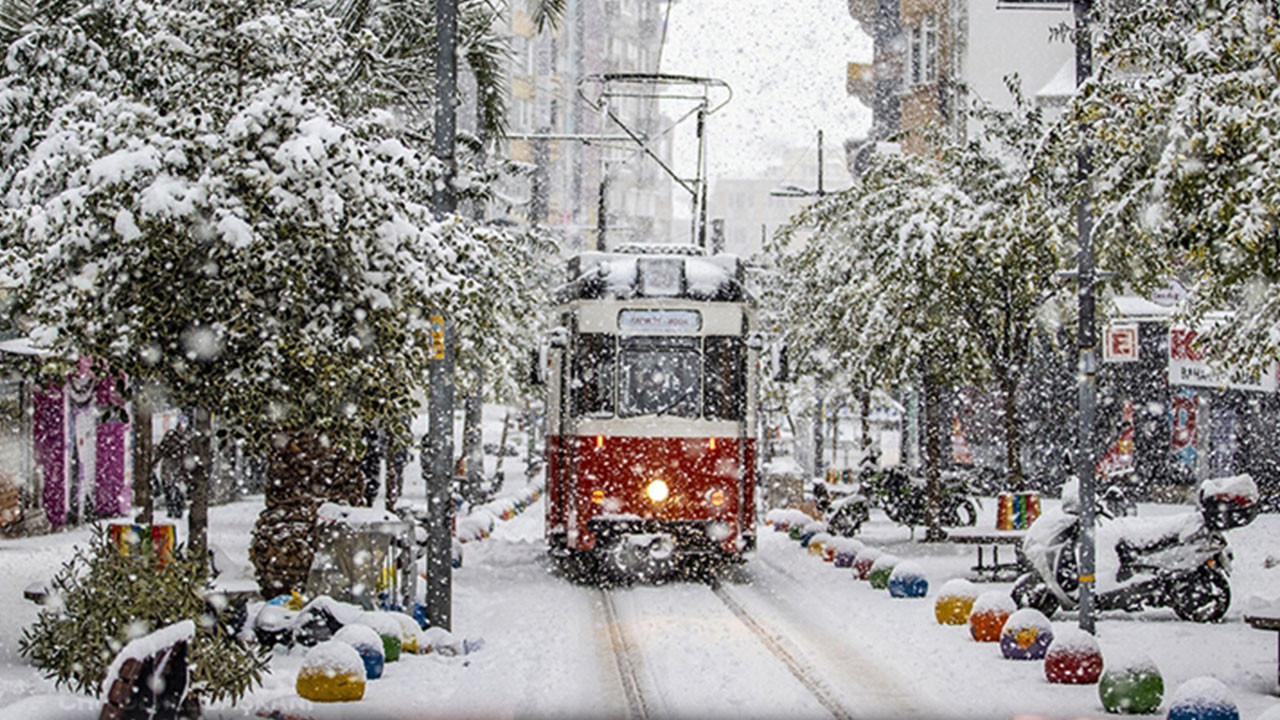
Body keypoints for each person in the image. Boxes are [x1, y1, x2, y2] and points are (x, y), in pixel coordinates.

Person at [155, 420, 195, 519]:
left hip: (178, 466)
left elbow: (161, 450)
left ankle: (176, 509)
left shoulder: (184, 438)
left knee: (176, 489)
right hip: (172, 465)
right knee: (169, 487)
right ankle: (173, 509)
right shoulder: (173, 436)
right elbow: (161, 449)